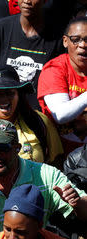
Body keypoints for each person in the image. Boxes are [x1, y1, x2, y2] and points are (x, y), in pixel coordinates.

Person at [0, 0, 65, 109]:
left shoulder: (58, 36)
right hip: (2, 112)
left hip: (38, 115)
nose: (27, 1)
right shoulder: (2, 27)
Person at [0, 65, 63, 165]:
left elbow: (57, 160)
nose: (4, 99)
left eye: (9, 93)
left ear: (19, 95)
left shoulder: (39, 121)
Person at [38, 16, 87, 155]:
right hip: (59, 157)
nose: (83, 45)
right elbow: (60, 114)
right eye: (76, 39)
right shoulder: (55, 69)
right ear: (65, 41)